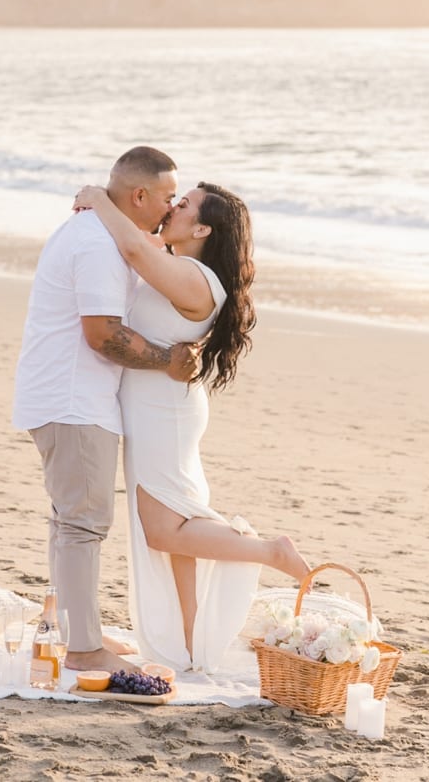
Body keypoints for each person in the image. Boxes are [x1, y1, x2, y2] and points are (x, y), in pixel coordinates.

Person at [73, 180, 311, 672]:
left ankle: (267, 550)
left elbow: (136, 249)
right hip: (161, 407)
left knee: (164, 531)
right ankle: (189, 644)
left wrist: (100, 199)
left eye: (182, 205)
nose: (172, 207)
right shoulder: (185, 267)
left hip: (164, 413)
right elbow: (144, 250)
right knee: (178, 521)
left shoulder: (195, 277)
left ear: (202, 228)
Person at [11, 146, 198, 673]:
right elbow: (102, 335)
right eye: (167, 198)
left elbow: (149, 249)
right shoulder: (97, 244)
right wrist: (169, 361)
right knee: (83, 525)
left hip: (66, 398)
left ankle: (71, 632)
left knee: (70, 521)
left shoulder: (108, 231)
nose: (173, 206)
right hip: (73, 401)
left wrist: (97, 197)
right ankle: (83, 649)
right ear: (140, 196)